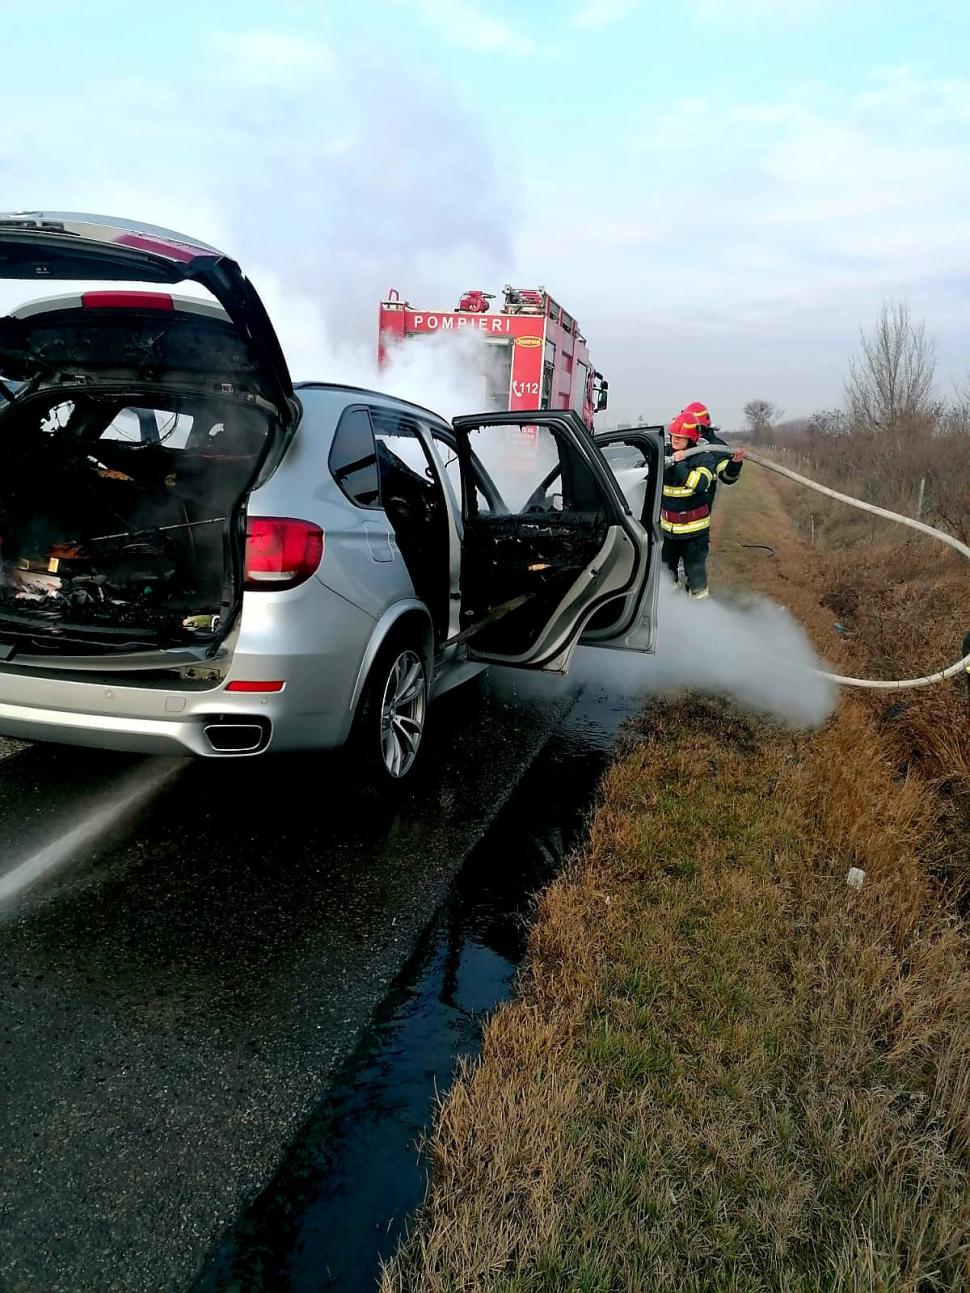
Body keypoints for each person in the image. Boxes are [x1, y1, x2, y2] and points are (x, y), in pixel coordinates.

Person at [662, 413, 716, 599]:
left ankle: (700, 614)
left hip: (694, 534)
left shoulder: (704, 459)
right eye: (673, 436)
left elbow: (701, 484)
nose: (675, 440)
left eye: (680, 437)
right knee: (667, 576)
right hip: (668, 533)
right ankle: (673, 609)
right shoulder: (665, 455)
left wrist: (680, 464)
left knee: (696, 578)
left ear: (691, 438)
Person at [680, 400, 745, 503]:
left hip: (698, 511)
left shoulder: (716, 447)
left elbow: (727, 477)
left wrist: (734, 466)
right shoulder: (679, 442)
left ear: (702, 428)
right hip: (669, 511)